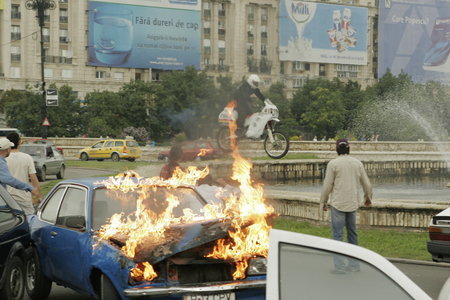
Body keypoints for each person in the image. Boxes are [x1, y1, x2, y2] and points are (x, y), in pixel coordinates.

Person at [320, 138, 372, 273]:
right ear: (349, 148)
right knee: (352, 234)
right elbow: (367, 183)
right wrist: (368, 197)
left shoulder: (333, 164)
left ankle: (340, 267)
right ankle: (354, 265)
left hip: (338, 204)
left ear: (337, 149)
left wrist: (323, 201)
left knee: (338, 235)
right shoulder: (357, 163)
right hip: (352, 203)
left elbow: (327, 185)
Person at [6, 133, 42, 214]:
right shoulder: (27, 158)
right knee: (29, 222)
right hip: (24, 198)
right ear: (19, 142)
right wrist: (39, 195)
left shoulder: (3, 159)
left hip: (7, 199)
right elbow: (33, 179)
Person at [0, 138, 39, 205]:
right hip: (20, 199)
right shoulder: (1, 162)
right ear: (8, 149)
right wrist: (30, 188)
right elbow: (8, 179)